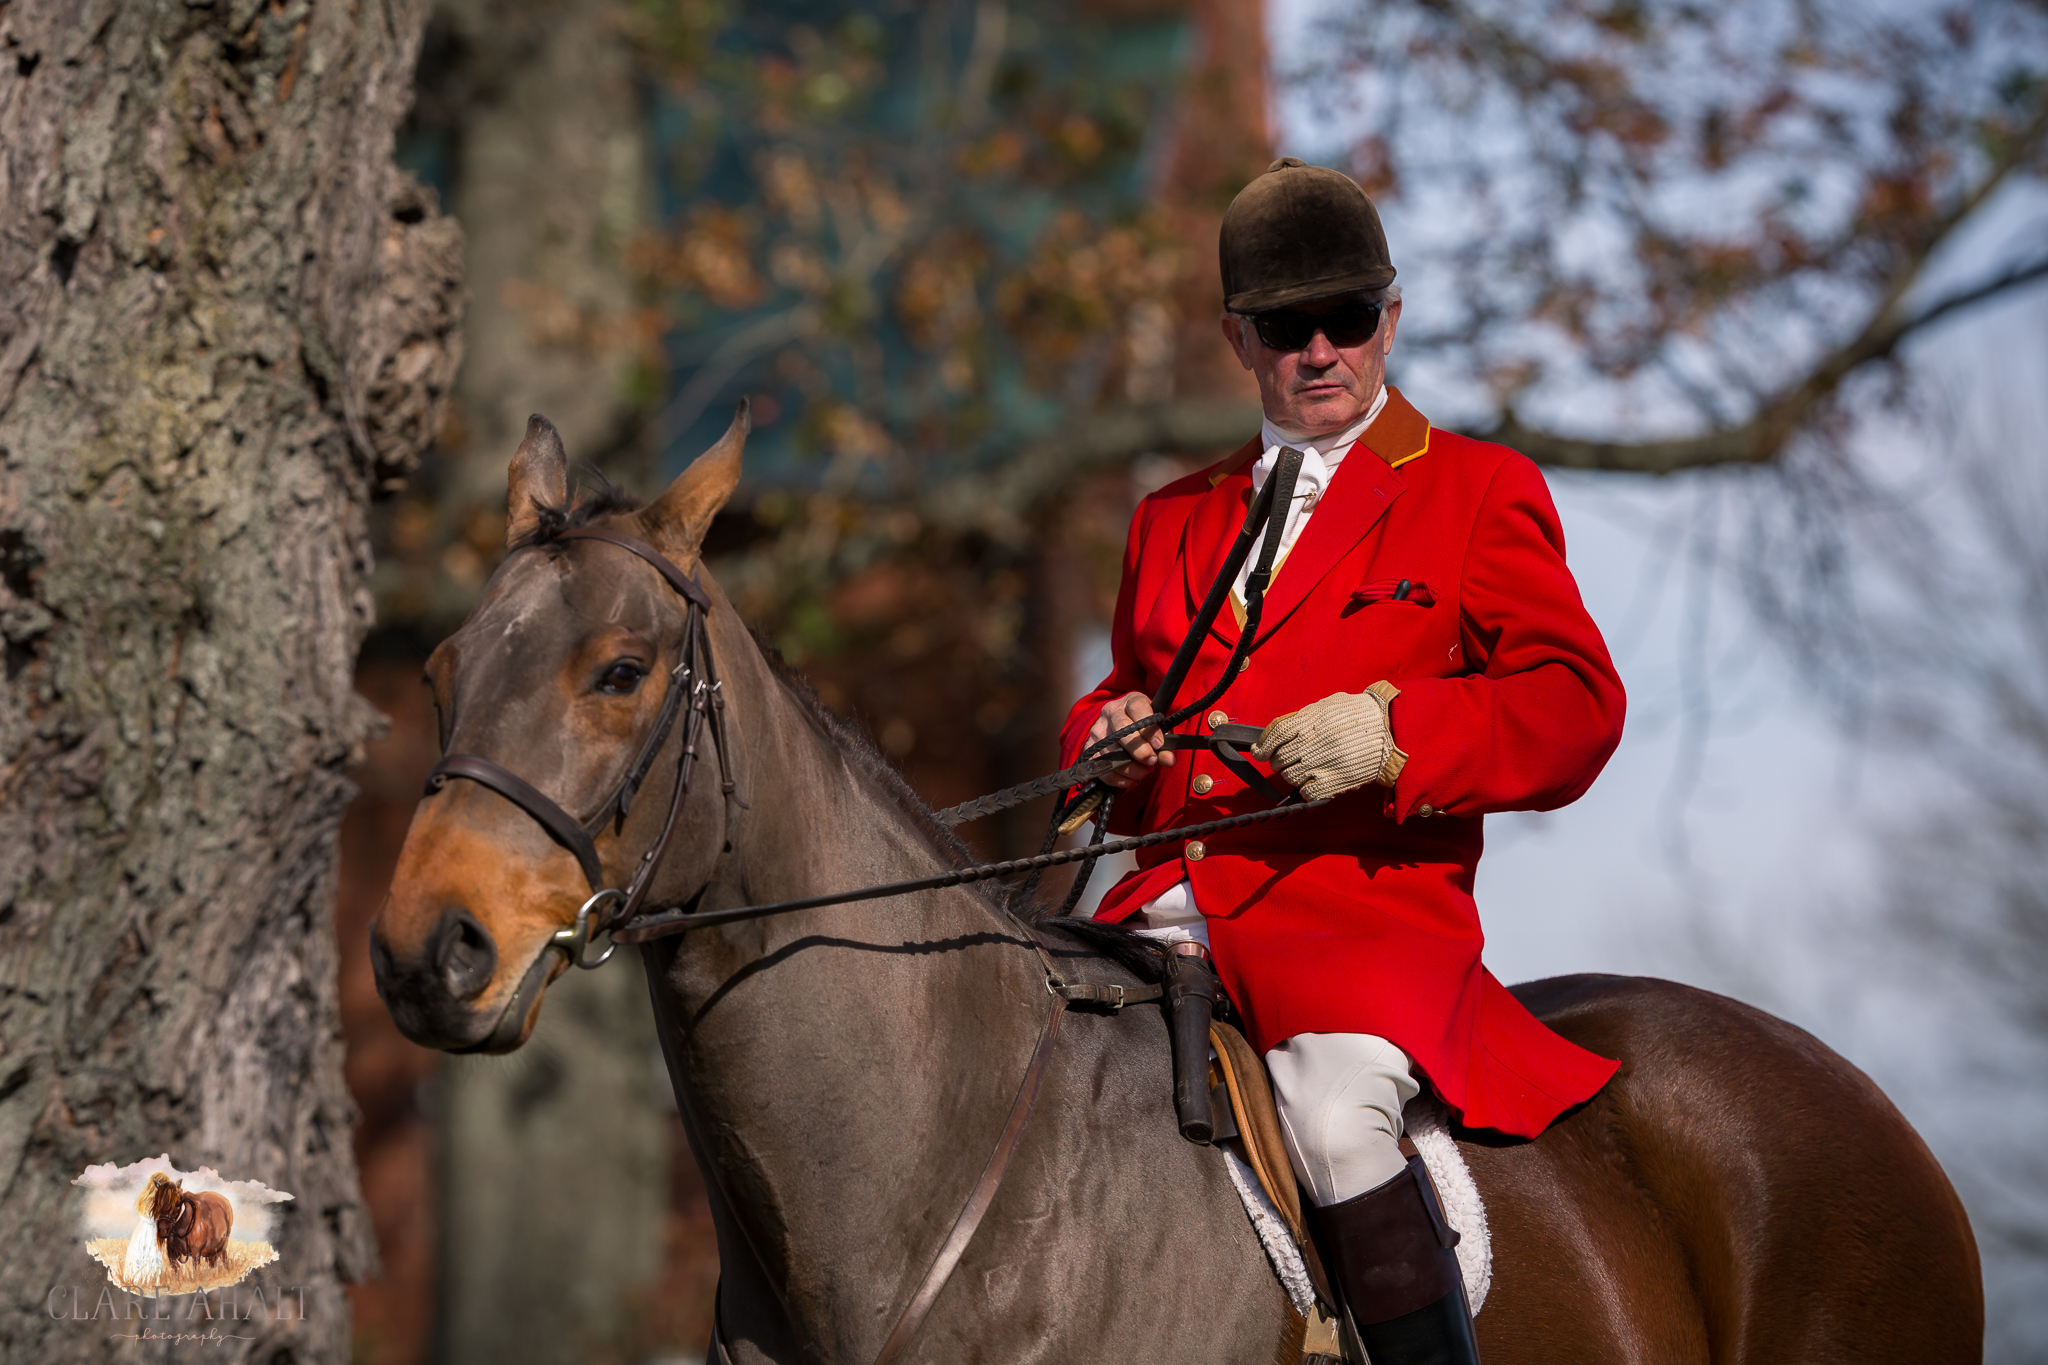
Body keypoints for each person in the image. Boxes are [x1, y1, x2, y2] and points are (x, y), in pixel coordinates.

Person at [1060, 158, 1627, 1364]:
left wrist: (1394, 735)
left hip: (1355, 924)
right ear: (1236, 341)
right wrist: (1106, 741)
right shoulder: (1172, 516)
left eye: (1348, 320)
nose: (1319, 352)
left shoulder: (1476, 491)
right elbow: (1127, 693)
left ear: (1390, 319)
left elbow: (1576, 705)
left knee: (1330, 1119)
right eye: (1284, 328)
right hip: (1160, 908)